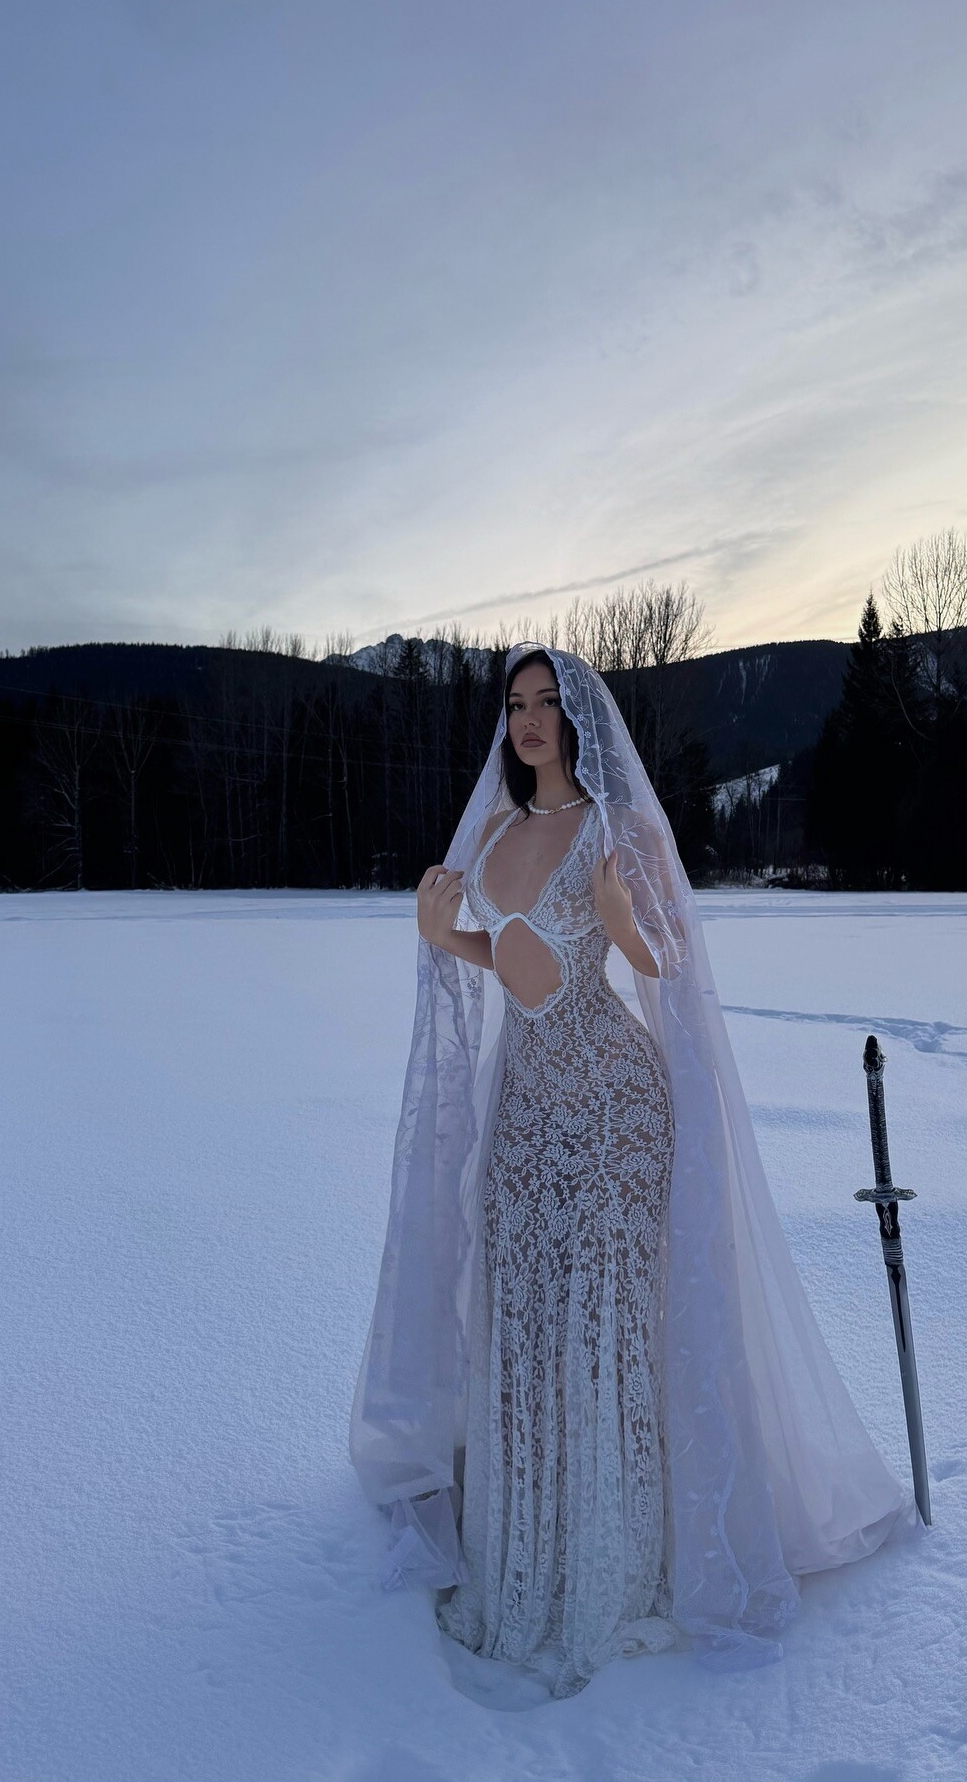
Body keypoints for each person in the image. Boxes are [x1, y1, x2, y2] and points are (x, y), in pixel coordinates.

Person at [349, 643, 908, 1700]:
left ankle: (616, 1562)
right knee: (526, 1321)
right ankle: (530, 1544)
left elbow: (672, 963)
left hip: (616, 1110)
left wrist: (621, 926)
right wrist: (445, 937)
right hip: (524, 1114)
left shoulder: (617, 829)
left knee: (607, 1325)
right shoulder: (495, 833)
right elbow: (518, 965)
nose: (528, 720)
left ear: (578, 720)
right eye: (515, 704)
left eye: (547, 703)